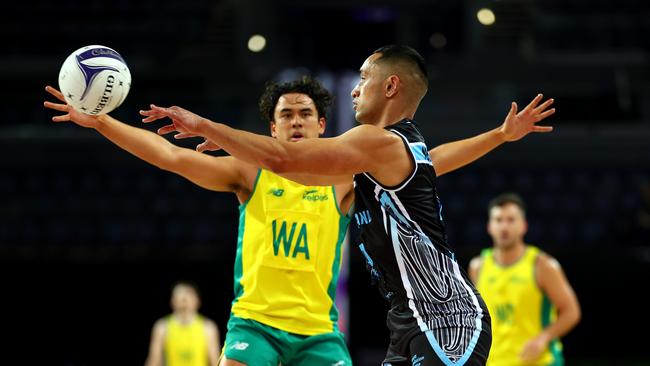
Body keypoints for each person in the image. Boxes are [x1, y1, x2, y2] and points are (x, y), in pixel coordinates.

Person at [141, 44, 556, 365]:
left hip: (444, 317)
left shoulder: (375, 140)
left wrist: (206, 125)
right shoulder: (399, 150)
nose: (354, 89)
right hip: (407, 319)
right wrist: (499, 135)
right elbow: (293, 167)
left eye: (363, 78)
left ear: (390, 86)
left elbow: (285, 159)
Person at [44, 77, 355, 366]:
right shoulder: (250, 172)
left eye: (305, 113)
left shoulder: (344, 181)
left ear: (322, 125)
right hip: (256, 326)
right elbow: (170, 156)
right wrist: (101, 121)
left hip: (318, 331)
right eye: (286, 115)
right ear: (273, 128)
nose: (296, 121)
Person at [468, 193, 581, 366]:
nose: (504, 226)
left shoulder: (543, 265)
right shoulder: (478, 267)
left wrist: (544, 338)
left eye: (511, 220)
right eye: (499, 220)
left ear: (524, 226)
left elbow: (571, 311)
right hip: (494, 361)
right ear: (490, 226)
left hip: (540, 361)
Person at [145, 281, 221, 366]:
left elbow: (215, 361)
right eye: (180, 296)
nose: (184, 300)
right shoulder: (162, 327)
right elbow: (154, 360)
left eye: (189, 296)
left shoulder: (208, 328)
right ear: (172, 301)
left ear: (198, 301)